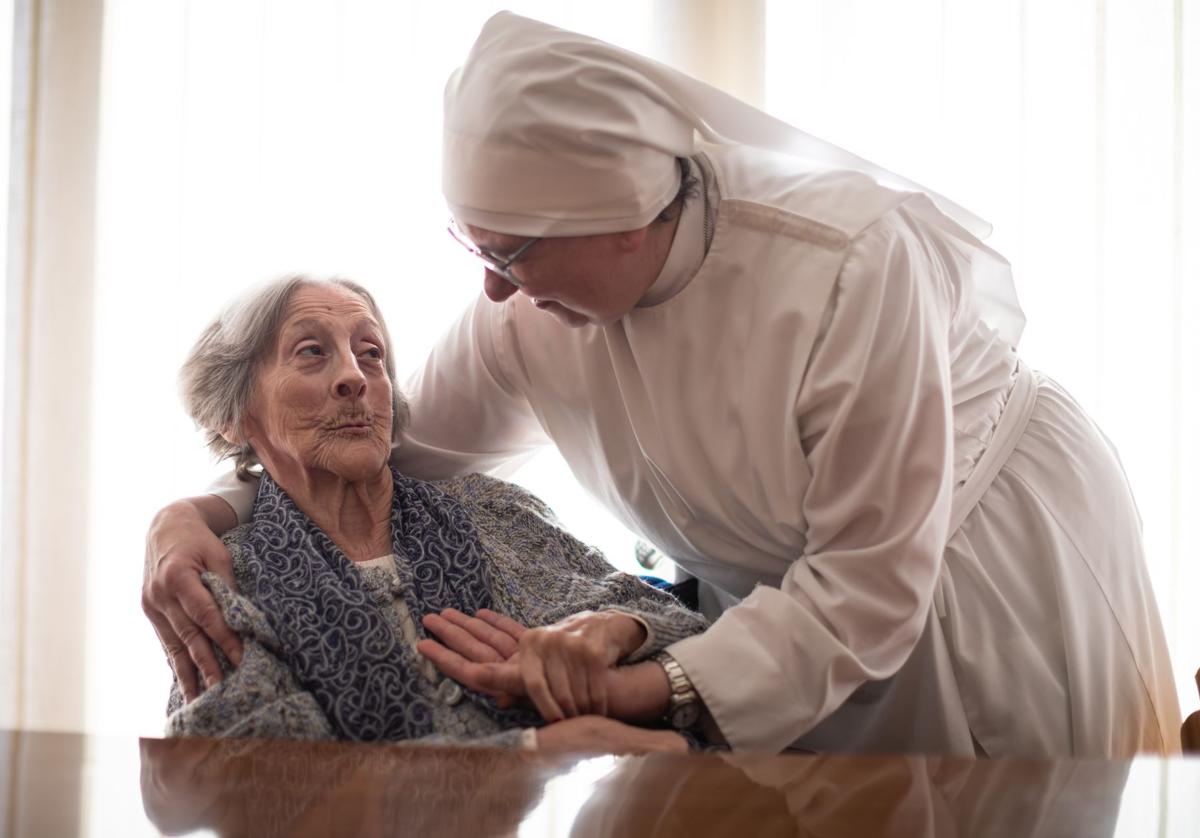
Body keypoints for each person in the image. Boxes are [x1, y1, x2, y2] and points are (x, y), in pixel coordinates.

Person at [144, 12, 1180, 757]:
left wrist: (633, 688)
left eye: (511, 250)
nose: (491, 284)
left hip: (980, 564)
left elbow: (866, 588)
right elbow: (373, 453)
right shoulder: (523, 307)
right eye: (469, 242)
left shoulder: (852, 263)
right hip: (779, 627)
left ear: (630, 222)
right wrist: (197, 511)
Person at [161, 274, 705, 753]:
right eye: (311, 352)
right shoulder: (224, 583)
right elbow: (250, 777)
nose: (355, 376)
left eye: (371, 353)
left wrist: (617, 629)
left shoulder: (494, 510)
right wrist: (540, 748)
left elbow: (676, 627)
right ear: (233, 415)